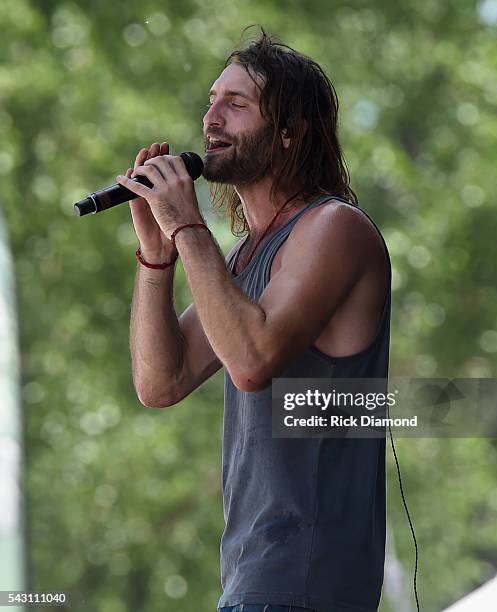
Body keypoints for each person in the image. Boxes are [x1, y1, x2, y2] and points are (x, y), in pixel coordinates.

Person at [118, 28, 391, 612]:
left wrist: (188, 227)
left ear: (291, 131)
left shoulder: (332, 228)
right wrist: (158, 255)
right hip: (255, 581)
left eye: (236, 105)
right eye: (211, 102)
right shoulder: (244, 256)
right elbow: (159, 383)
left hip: (305, 585)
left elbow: (252, 361)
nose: (211, 119)